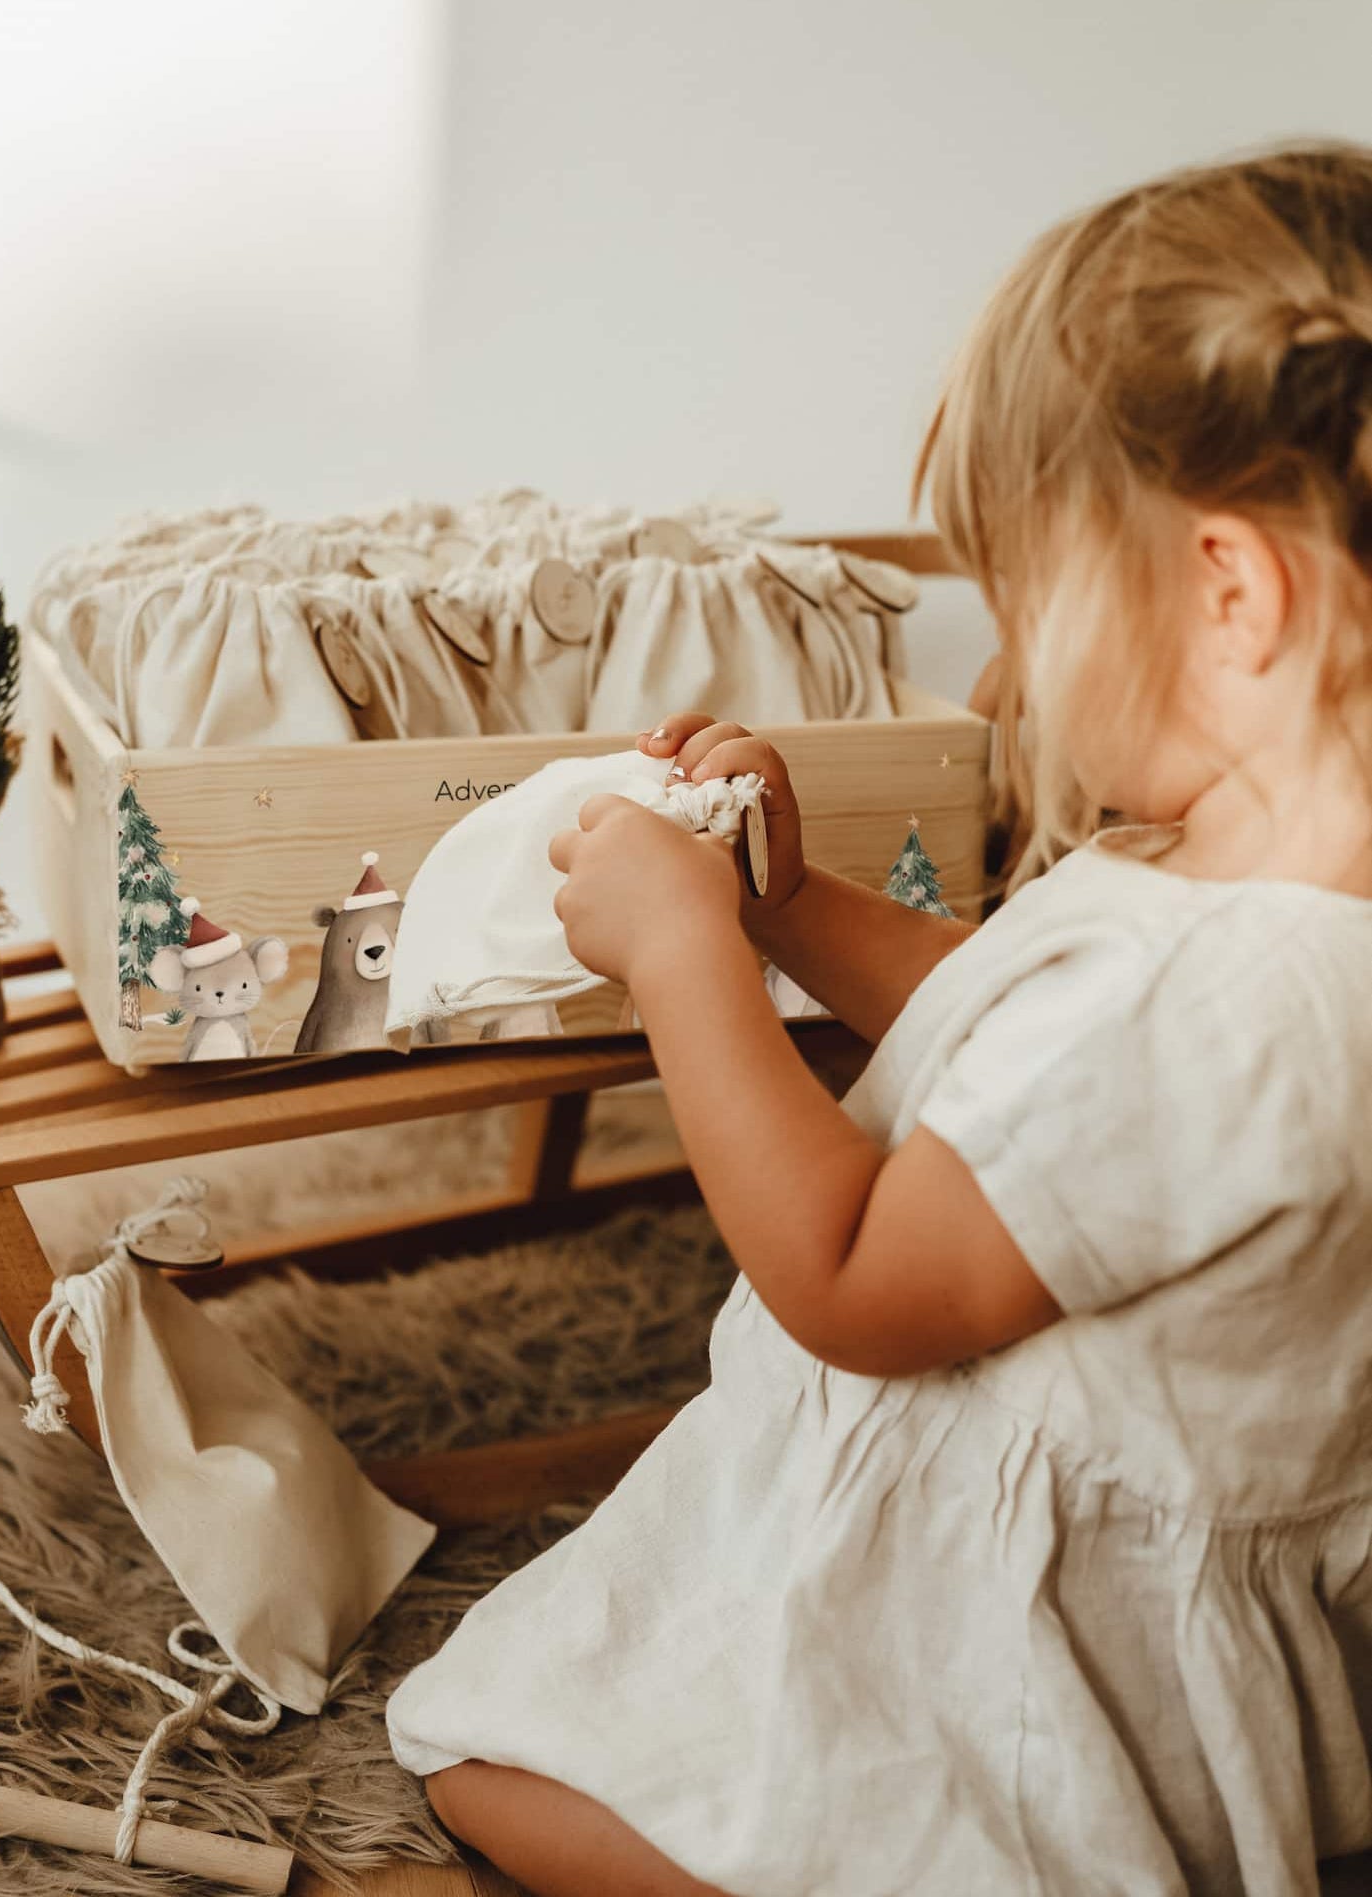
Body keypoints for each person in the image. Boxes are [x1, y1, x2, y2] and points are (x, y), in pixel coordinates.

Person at [386, 143, 1372, 1896]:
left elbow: (854, 1277)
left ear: (1233, 592)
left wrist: (687, 963)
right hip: (1158, 1561)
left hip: (1010, 1653)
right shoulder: (1257, 890)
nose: (999, 669)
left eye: (1028, 598)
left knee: (480, 1760)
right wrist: (778, 900)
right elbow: (1018, 1078)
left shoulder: (1219, 992)